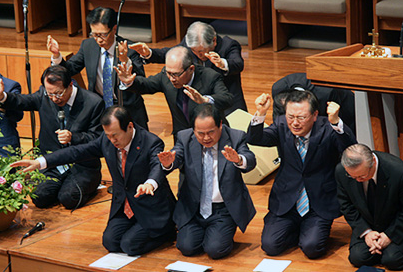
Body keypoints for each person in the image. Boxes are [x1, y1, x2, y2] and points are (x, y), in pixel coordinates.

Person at [10, 106, 176, 256]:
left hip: (150, 208)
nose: (112, 140)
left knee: (130, 245)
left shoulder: (151, 142)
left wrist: (149, 183)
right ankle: (136, 230)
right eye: (108, 135)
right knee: (110, 242)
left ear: (130, 127)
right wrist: (40, 162)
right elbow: (77, 152)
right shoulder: (107, 140)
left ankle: (166, 231)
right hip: (125, 206)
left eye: (115, 135)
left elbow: (157, 167)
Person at [247, 90, 357, 259]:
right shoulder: (281, 124)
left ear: (314, 115)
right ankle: (298, 231)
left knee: (312, 248)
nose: (295, 123)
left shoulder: (328, 127)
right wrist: (260, 114)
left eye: (301, 117)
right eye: (290, 116)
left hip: (317, 202)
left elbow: (350, 149)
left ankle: (308, 232)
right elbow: (256, 139)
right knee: (270, 246)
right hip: (286, 200)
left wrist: (336, 122)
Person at [0, 65, 104, 210]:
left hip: (82, 165)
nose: (53, 99)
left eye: (58, 94)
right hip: (53, 163)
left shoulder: (93, 102)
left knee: (68, 198)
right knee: (40, 197)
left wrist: (73, 137)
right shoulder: (44, 95)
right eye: (50, 94)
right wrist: (1, 96)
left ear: (70, 85)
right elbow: (22, 101)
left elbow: (97, 138)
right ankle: (61, 185)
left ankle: (91, 184)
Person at [157, 103, 256, 259]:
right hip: (193, 208)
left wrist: (238, 159)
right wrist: (169, 163)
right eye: (200, 133)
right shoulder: (184, 137)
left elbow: (250, 160)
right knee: (186, 247)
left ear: (220, 125)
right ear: (193, 130)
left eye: (211, 132)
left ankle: (220, 233)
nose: (206, 138)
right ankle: (206, 233)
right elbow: (176, 156)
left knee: (215, 250)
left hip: (223, 209)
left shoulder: (236, 137)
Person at [47, 6, 149, 130]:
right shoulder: (88, 46)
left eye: (103, 35)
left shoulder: (130, 49)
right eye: (94, 34)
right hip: (99, 108)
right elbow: (71, 69)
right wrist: (57, 56)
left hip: (127, 110)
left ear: (114, 29)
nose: (98, 40)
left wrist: (125, 61)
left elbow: (141, 83)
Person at [116, 46, 233, 139]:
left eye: (176, 74)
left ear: (191, 69)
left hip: (211, 135)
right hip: (183, 137)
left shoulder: (210, 76)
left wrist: (204, 100)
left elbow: (227, 99)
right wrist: (129, 82)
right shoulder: (166, 76)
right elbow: (146, 85)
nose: (171, 78)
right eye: (169, 73)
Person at [130, 21, 245, 115]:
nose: (198, 54)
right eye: (194, 51)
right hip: (198, 104)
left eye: (201, 51)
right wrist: (149, 53)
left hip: (226, 101)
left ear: (214, 41)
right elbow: (171, 53)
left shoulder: (228, 45)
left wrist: (222, 63)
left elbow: (238, 64)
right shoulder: (189, 44)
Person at [335, 144, 403, 270]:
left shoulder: (398, 171)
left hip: (394, 224)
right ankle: (378, 247)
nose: (359, 180)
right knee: (358, 258)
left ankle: (384, 250)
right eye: (353, 177)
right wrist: (366, 232)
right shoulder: (341, 172)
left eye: (362, 176)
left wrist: (389, 235)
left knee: (392, 260)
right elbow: (346, 206)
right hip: (368, 224)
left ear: (372, 161)